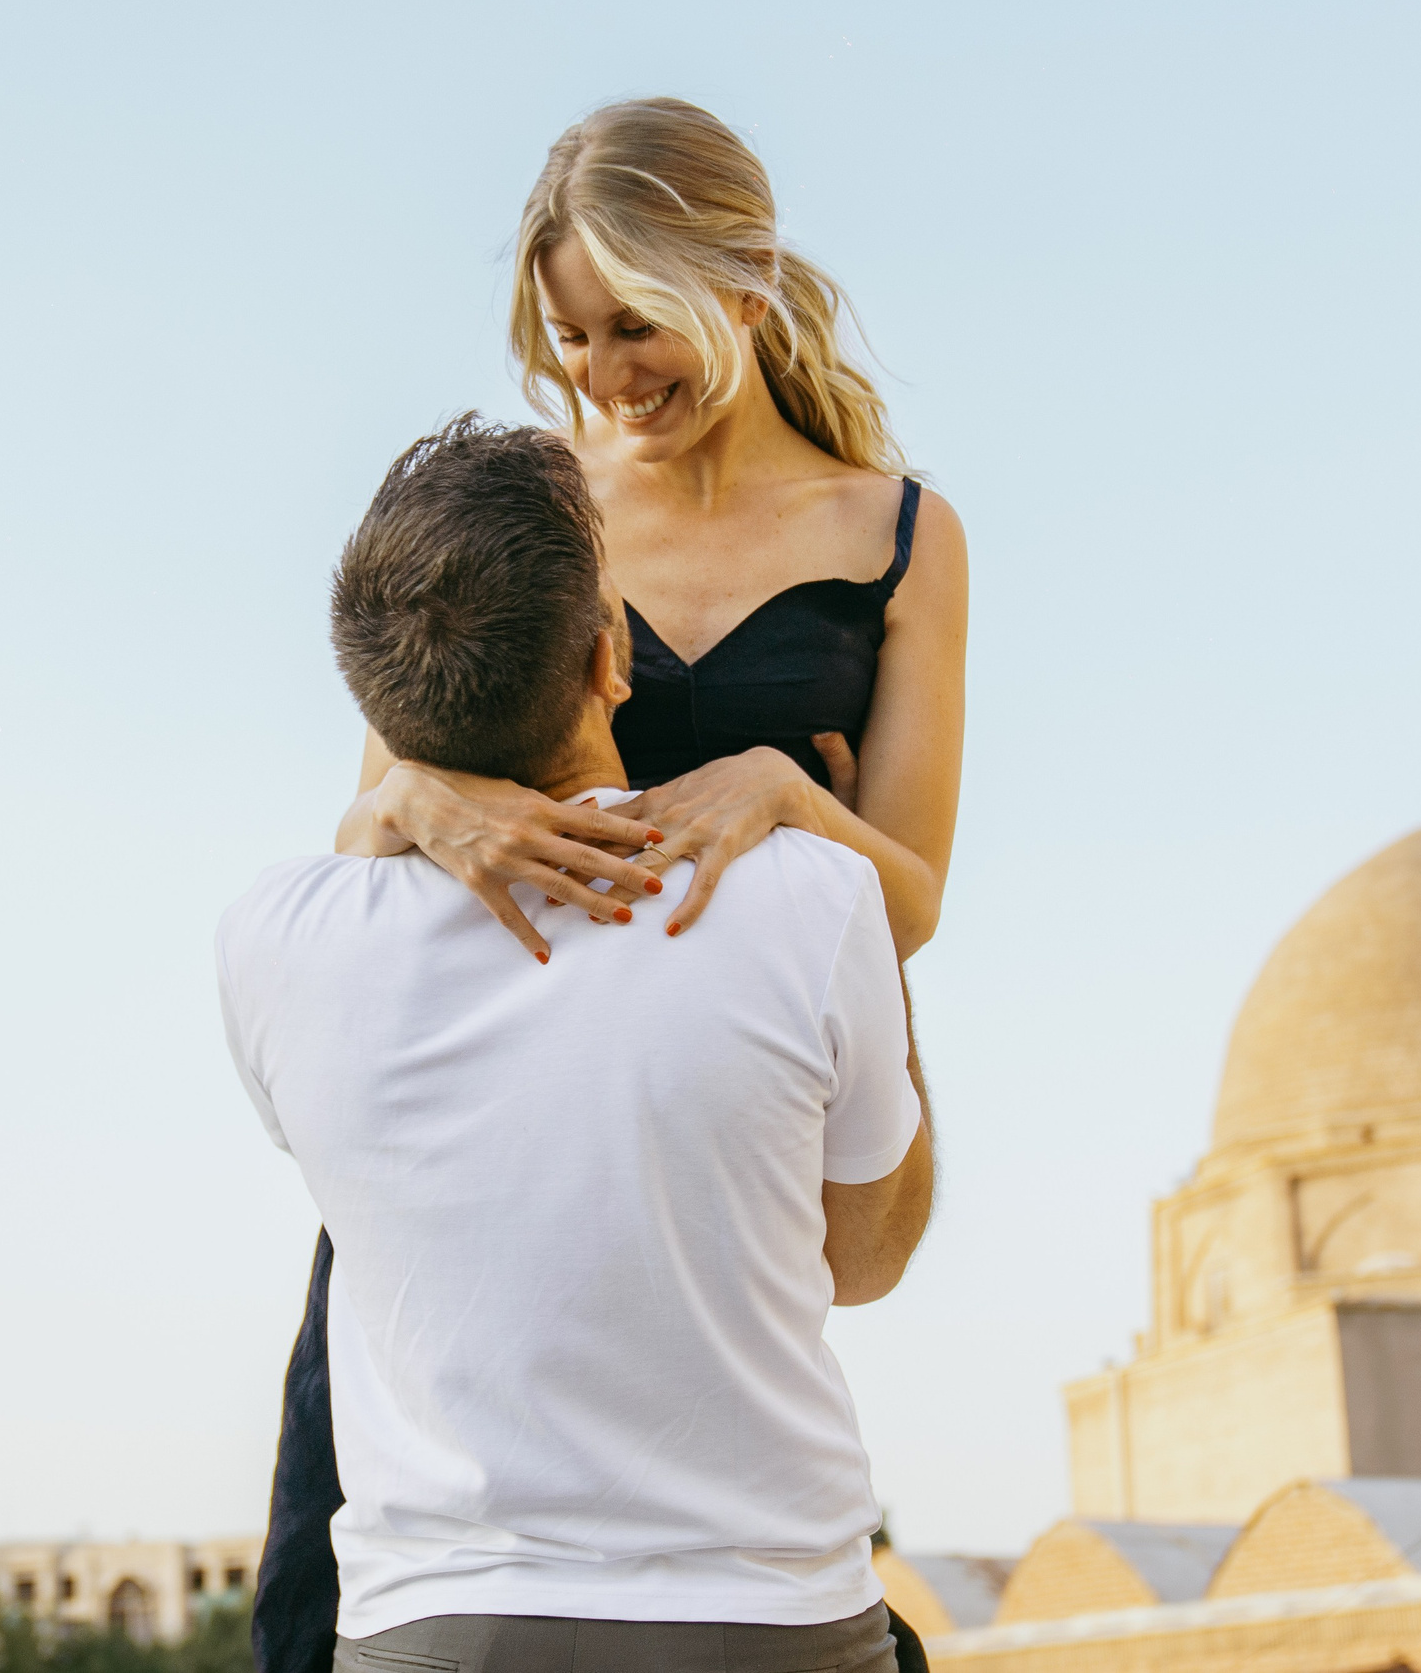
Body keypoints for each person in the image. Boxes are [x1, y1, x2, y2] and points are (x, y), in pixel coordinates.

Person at [258, 98, 967, 1673]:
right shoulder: (536, 511)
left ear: (749, 283)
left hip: (713, 1138)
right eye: (569, 337)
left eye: (633, 324)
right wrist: (446, 808)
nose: (602, 374)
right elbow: (359, 838)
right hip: (479, 1156)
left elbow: (907, 897)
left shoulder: (903, 538)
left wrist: (784, 796)